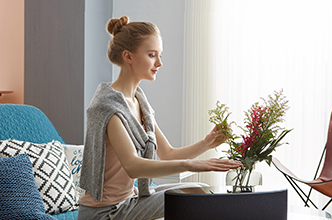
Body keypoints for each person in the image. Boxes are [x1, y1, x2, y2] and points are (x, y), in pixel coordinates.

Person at [78, 16, 242, 220]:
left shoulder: (139, 101)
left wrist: (206, 144)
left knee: (197, 188)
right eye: (152, 55)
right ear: (128, 56)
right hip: (104, 213)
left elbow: (168, 153)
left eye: (159, 55)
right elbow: (133, 166)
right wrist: (191, 164)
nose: (160, 63)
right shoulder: (107, 106)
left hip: (128, 201)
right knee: (189, 198)